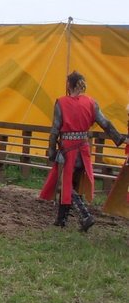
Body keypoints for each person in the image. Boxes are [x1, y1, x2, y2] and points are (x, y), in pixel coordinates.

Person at [38, 70, 126, 231]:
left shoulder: (61, 103)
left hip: (68, 151)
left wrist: (51, 151)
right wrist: (118, 138)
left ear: (68, 85)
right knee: (71, 184)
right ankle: (61, 220)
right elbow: (105, 123)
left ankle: (84, 215)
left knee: (65, 184)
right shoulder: (91, 103)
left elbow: (54, 131)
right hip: (83, 150)